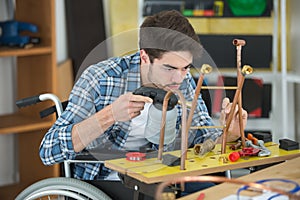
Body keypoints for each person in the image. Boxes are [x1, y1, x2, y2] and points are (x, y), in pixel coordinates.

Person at [39, 10, 247, 198]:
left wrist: (229, 134)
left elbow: (202, 136)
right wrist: (110, 115)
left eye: (185, 68)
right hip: (108, 183)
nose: (179, 78)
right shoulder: (100, 78)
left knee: (223, 193)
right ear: (144, 56)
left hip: (162, 179)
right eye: (169, 68)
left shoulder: (183, 80)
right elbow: (49, 150)